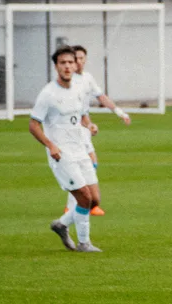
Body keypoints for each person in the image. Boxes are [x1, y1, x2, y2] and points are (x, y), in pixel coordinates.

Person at [29, 45, 103, 252]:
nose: (68, 66)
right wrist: (51, 145)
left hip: (80, 149)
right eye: (63, 63)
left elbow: (82, 116)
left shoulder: (80, 89)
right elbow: (33, 125)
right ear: (56, 67)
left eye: (71, 62)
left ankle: (61, 224)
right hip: (62, 154)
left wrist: (90, 126)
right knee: (84, 197)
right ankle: (84, 243)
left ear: (76, 64)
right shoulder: (48, 94)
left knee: (94, 199)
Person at [61, 45, 132, 217]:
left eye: (81, 58)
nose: (78, 62)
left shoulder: (87, 78)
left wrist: (119, 113)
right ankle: (73, 205)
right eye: (74, 59)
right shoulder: (68, 83)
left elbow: (99, 98)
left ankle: (85, 203)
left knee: (91, 162)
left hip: (82, 125)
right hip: (70, 128)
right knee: (84, 162)